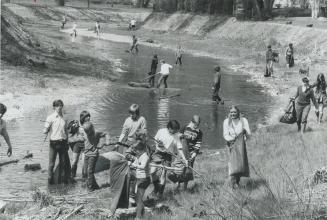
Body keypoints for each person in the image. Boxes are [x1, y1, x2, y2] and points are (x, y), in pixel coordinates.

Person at [150, 120, 188, 199]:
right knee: (152, 172)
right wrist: (159, 144)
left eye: (177, 130)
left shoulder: (176, 135)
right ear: (169, 128)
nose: (176, 131)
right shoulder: (161, 131)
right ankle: (156, 187)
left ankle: (160, 194)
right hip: (158, 153)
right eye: (174, 130)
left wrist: (184, 159)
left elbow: (179, 148)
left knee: (163, 174)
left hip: (167, 155)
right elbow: (155, 139)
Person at [223, 106, 251, 189]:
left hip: (241, 144)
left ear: (238, 113)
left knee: (240, 163)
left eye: (234, 112)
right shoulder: (226, 121)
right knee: (232, 164)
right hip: (230, 144)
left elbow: (248, 134)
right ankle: (232, 184)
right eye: (231, 112)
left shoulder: (244, 120)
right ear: (229, 113)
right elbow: (225, 134)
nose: (233, 114)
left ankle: (237, 182)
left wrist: (245, 133)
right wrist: (232, 140)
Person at [43, 100, 69, 185]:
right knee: (51, 164)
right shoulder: (50, 118)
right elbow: (45, 130)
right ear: (54, 107)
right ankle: (50, 182)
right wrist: (46, 129)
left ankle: (61, 182)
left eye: (61, 105)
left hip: (63, 142)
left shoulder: (65, 117)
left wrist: (67, 142)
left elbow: (66, 131)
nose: (59, 107)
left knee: (63, 163)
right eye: (57, 106)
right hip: (53, 143)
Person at [81, 121, 109, 191]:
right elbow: (82, 137)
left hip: (93, 154)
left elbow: (106, 133)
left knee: (90, 171)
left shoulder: (96, 133)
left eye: (88, 132)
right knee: (85, 171)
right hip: (86, 154)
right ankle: (95, 186)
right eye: (86, 132)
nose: (87, 134)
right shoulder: (84, 132)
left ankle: (90, 188)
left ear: (92, 129)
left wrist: (107, 141)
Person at [128, 135, 150, 220]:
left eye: (136, 150)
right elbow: (137, 165)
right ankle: (141, 210)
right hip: (140, 178)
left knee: (138, 197)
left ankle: (138, 216)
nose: (135, 152)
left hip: (144, 179)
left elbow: (143, 166)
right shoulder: (139, 156)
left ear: (142, 149)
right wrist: (130, 164)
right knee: (138, 197)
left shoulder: (145, 156)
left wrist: (133, 165)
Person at [179, 115, 203, 189]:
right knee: (180, 168)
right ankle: (178, 184)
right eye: (195, 124)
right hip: (182, 151)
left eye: (198, 125)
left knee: (188, 169)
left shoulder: (199, 132)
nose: (196, 126)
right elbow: (178, 135)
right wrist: (183, 136)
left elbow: (198, 143)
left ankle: (185, 187)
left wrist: (195, 153)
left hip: (191, 153)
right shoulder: (185, 127)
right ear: (191, 122)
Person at [67, 111, 91, 178]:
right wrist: (73, 125)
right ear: (83, 118)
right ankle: (72, 175)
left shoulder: (90, 125)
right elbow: (69, 131)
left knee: (84, 162)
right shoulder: (77, 124)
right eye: (87, 116)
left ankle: (84, 177)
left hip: (85, 145)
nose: (89, 117)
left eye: (89, 116)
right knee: (74, 161)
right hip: (77, 144)